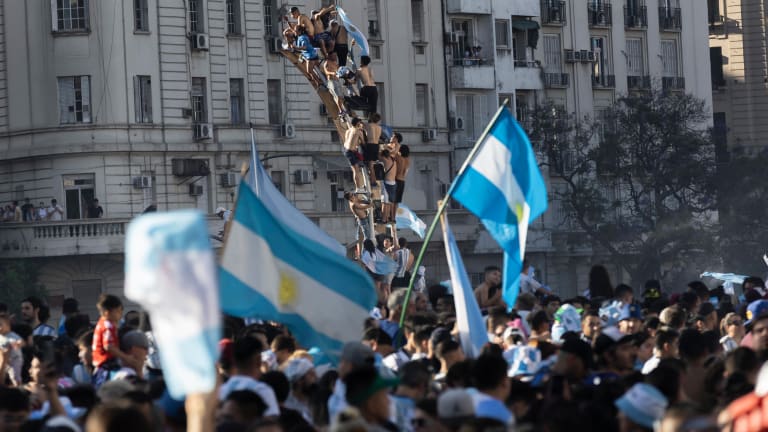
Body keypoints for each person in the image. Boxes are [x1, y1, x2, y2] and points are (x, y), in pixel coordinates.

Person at [92, 294, 140, 387]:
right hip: (106, 364)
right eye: (118, 311)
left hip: (100, 364)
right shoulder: (108, 326)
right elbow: (109, 346)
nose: (120, 314)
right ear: (107, 313)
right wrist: (126, 357)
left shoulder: (101, 322)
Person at [343, 117, 366, 191]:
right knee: (356, 170)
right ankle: (358, 188)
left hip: (347, 150)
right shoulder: (358, 131)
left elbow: (349, 141)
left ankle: (359, 187)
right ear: (357, 123)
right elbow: (363, 142)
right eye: (359, 123)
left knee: (357, 169)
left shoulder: (348, 130)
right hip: (350, 152)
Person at [379, 148, 397, 223]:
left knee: (384, 203)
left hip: (387, 183)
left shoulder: (385, 160)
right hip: (394, 183)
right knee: (390, 202)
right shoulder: (394, 161)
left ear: (384, 155)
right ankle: (391, 218)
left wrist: (380, 150)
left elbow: (378, 155)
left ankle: (384, 219)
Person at [365, 113, 383, 187]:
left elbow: (359, 125)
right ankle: (373, 180)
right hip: (376, 146)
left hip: (370, 145)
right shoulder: (379, 127)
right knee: (372, 164)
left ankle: (373, 181)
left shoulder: (369, 125)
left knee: (370, 165)